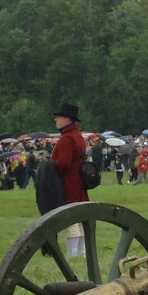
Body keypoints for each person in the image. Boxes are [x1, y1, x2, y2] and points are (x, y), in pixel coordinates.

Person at [49, 102, 90, 256]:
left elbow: (63, 163)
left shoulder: (67, 138)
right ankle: (82, 251)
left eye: (58, 117)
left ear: (67, 119)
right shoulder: (77, 135)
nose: (55, 120)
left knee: (70, 218)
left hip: (68, 183)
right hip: (78, 182)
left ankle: (74, 252)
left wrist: (51, 165)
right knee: (78, 218)